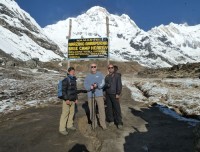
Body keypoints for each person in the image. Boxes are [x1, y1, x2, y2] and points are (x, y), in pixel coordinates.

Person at [84, 63, 107, 130]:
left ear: (96, 67)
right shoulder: (88, 76)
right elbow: (85, 85)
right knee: (92, 110)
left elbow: (103, 82)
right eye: (92, 67)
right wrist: (90, 87)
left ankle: (103, 124)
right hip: (90, 95)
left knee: (101, 109)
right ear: (90, 68)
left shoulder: (100, 75)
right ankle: (94, 124)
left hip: (99, 95)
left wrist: (98, 85)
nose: (93, 68)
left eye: (94, 66)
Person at [59, 67, 78, 135]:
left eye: (73, 71)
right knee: (65, 114)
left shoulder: (74, 80)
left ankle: (69, 125)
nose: (73, 72)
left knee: (72, 113)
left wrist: (76, 98)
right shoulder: (66, 80)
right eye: (72, 71)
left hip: (73, 100)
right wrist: (66, 99)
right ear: (69, 72)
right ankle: (62, 129)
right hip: (67, 100)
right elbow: (64, 91)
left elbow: (75, 90)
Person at [104, 64, 123, 129]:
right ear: (108, 69)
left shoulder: (117, 76)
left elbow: (119, 85)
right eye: (109, 68)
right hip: (108, 94)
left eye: (111, 67)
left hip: (115, 94)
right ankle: (111, 120)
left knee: (117, 108)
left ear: (113, 68)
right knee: (109, 108)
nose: (110, 69)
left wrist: (118, 93)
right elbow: (104, 85)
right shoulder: (107, 77)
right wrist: (106, 85)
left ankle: (119, 122)